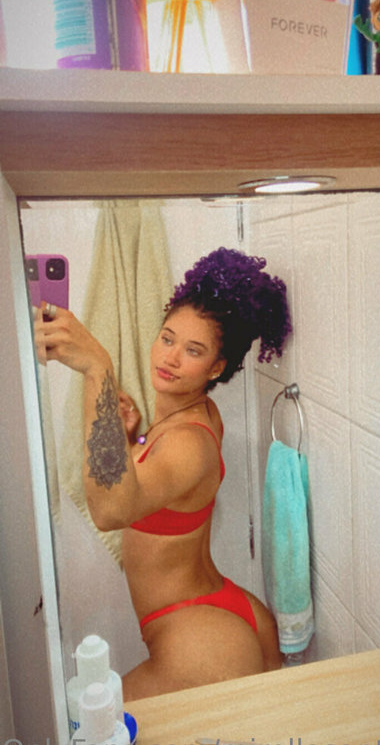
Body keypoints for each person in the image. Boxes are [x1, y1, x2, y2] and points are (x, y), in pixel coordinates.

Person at [37, 247, 292, 700]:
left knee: (94, 726)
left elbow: (110, 510)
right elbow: (160, 483)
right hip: (220, 609)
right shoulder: (195, 415)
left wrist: (97, 366)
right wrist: (133, 439)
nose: (171, 358)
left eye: (193, 350)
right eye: (168, 338)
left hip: (202, 641)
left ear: (216, 367)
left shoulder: (188, 442)